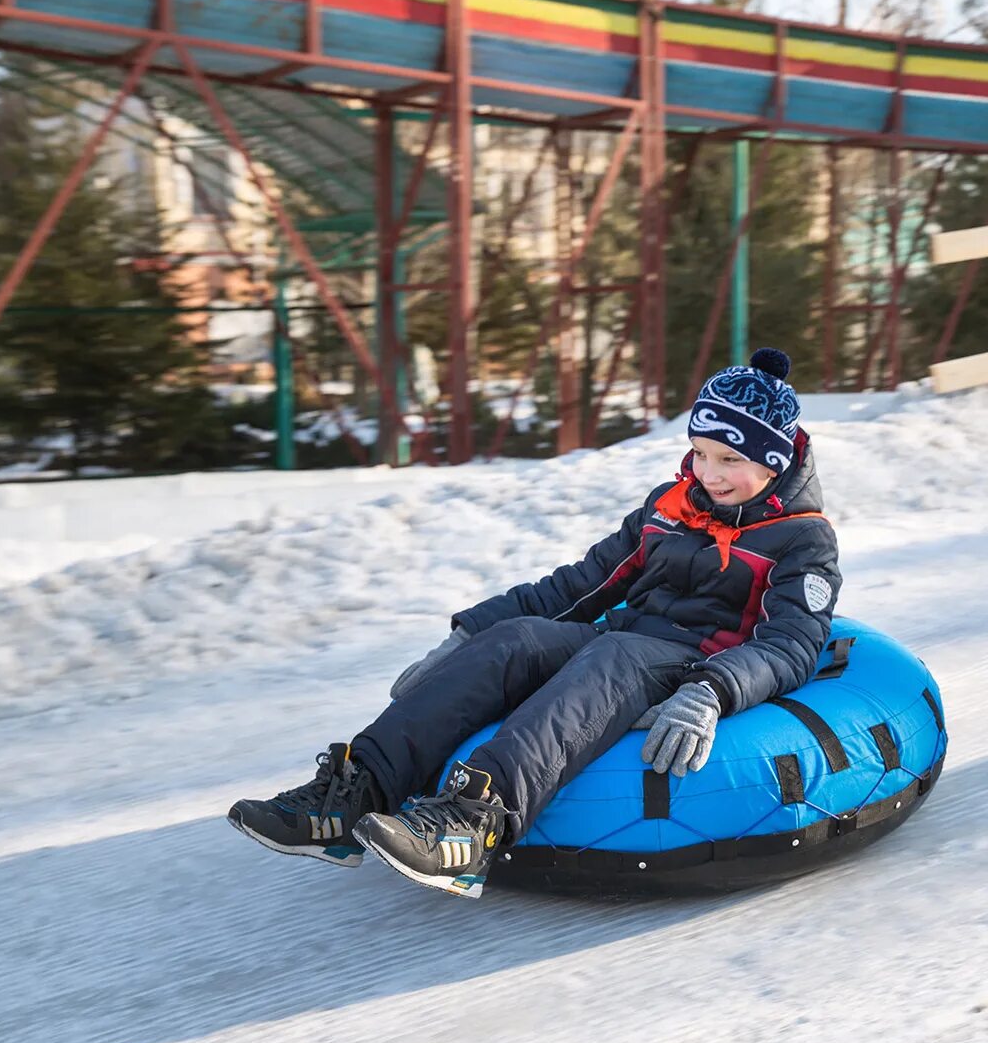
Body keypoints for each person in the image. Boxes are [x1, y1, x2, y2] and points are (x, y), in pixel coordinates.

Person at [229, 348, 842, 898]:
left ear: (773, 460)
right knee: (515, 642)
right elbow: (582, 584)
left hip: (692, 662)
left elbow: (793, 643)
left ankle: (473, 824)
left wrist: (712, 691)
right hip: (624, 638)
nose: (708, 473)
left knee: (611, 659)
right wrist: (469, 633)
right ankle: (354, 794)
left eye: (729, 459)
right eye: (701, 453)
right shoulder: (670, 506)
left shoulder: (802, 539)